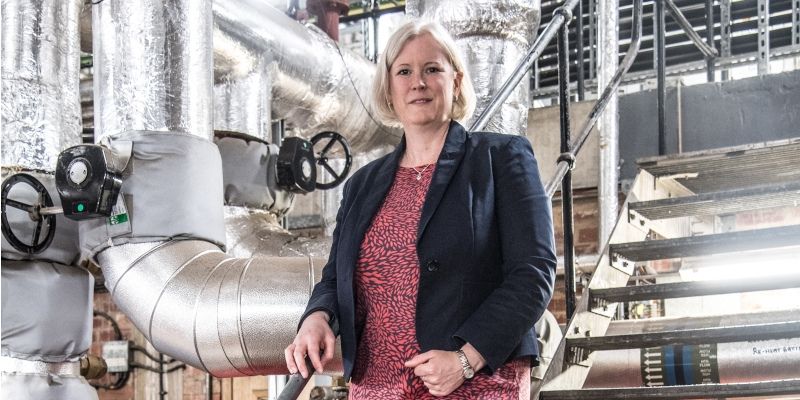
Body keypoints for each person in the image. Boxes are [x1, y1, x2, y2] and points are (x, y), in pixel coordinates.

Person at [285, 20, 556, 399]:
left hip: (474, 380)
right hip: (378, 383)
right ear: (389, 88)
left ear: (456, 81)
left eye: (432, 69)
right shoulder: (362, 185)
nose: (418, 82)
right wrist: (317, 317)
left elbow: (534, 273)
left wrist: (466, 359)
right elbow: (335, 278)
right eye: (405, 71)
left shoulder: (500, 157)